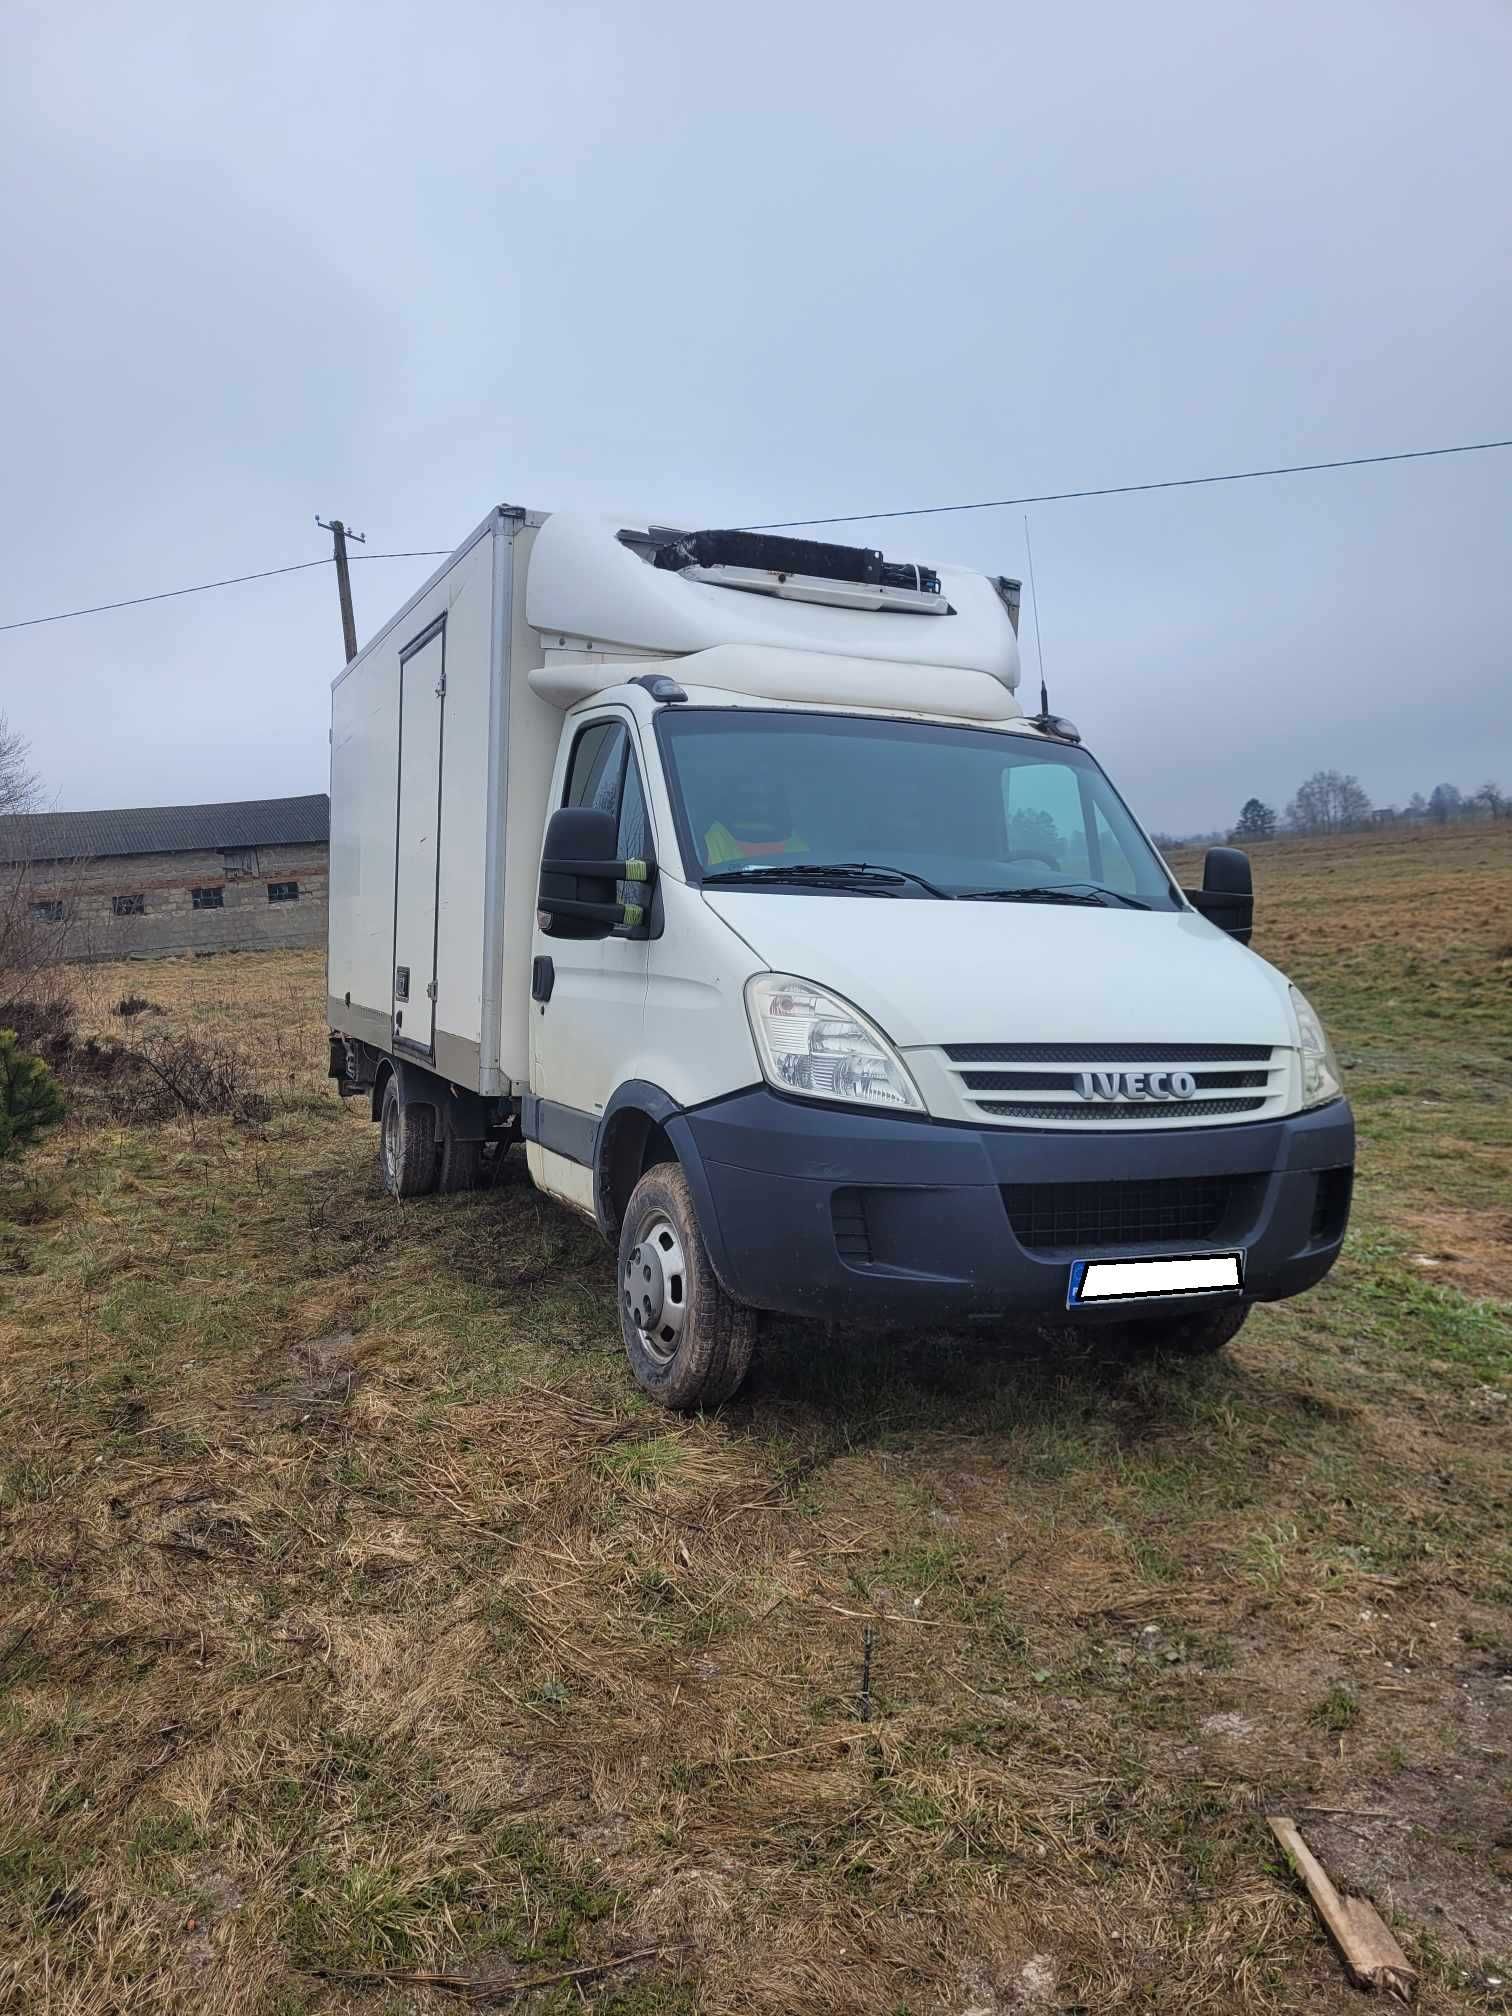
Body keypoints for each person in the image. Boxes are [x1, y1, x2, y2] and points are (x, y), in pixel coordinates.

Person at [701, 771, 808, 866]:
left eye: (768, 794)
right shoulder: (714, 837)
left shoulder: (793, 841)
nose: (758, 804)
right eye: (750, 794)